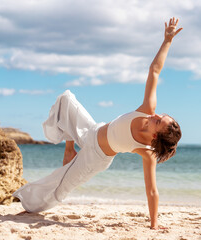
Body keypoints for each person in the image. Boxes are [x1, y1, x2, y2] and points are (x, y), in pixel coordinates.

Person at [13, 17, 182, 230]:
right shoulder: (147, 109)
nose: (156, 115)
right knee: (66, 99)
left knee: (61, 183)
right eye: (161, 115)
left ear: (155, 135)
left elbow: (151, 190)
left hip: (96, 158)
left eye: (159, 121)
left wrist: (154, 224)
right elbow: (154, 71)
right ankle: (69, 148)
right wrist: (167, 41)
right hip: (91, 130)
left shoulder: (146, 151)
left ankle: (29, 208)